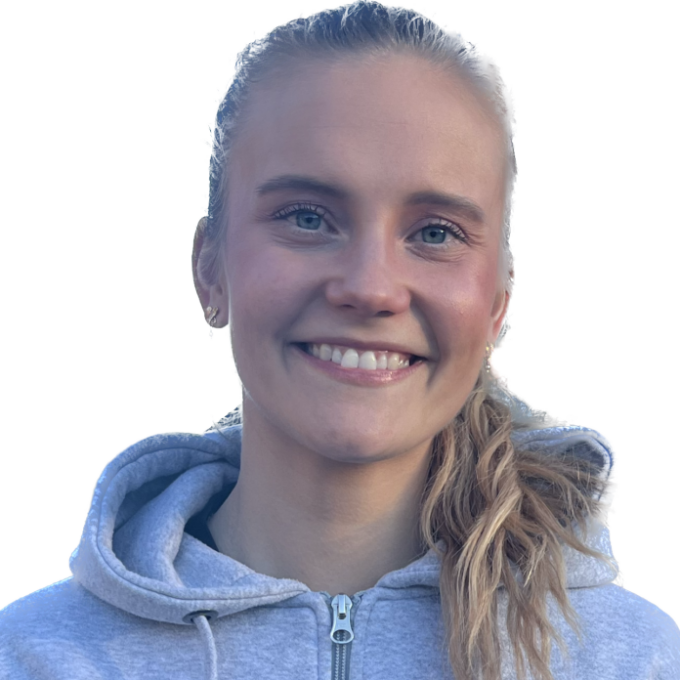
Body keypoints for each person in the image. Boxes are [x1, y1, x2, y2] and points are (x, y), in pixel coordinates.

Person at [2, 2, 679, 679]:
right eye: (307, 218)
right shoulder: (29, 657)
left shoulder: (640, 660)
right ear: (210, 268)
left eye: (435, 232)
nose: (371, 287)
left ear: (499, 300)